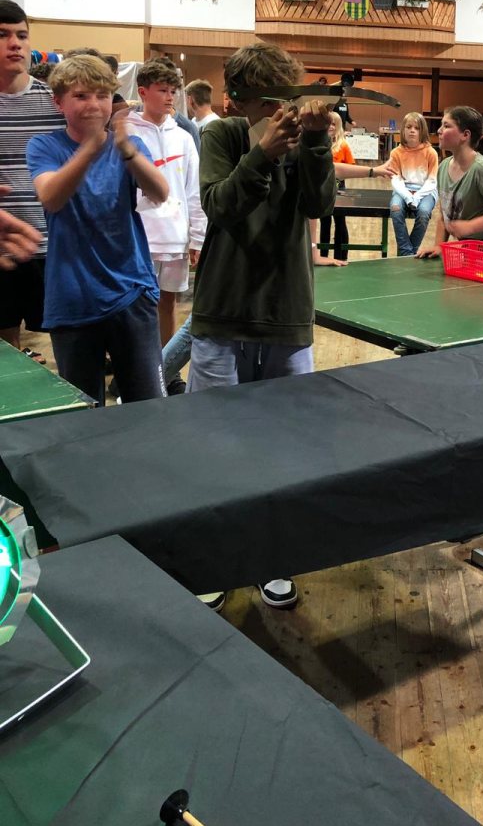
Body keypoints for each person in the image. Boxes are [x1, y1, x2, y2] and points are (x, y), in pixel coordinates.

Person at [188, 42, 335, 610]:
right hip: (223, 309)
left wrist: (316, 142)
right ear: (238, 100)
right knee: (214, 445)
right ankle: (214, 555)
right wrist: (263, 154)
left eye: (287, 100)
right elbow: (220, 206)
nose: (282, 112)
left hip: (287, 311)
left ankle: (273, 554)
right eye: (269, 102)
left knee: (285, 444)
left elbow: (319, 207)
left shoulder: (304, 137)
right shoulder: (223, 135)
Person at [25, 54, 170, 403]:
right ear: (58, 102)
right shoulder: (44, 146)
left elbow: (160, 192)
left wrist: (127, 150)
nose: (93, 104)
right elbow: (51, 197)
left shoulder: (129, 145)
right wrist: (91, 147)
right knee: (84, 413)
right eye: (81, 96)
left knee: (148, 406)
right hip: (72, 299)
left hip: (131, 291)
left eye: (102, 95)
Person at [0, 0, 64, 360]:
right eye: (3, 35)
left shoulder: (54, 103)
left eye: (22, 35)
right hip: (3, 246)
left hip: (52, 243)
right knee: (5, 344)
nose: (15, 44)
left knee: (65, 335)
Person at [128, 59, 206, 348]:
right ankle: (136, 365)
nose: (170, 97)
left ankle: (164, 365)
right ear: (143, 92)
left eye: (173, 91)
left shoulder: (183, 138)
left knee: (167, 304)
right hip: (139, 237)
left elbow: (194, 191)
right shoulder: (127, 133)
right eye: (162, 90)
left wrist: (198, 236)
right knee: (136, 307)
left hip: (175, 237)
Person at [417, 106, 483, 258]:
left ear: (465, 135)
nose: (439, 130)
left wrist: (470, 226)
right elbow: (445, 215)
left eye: (446, 126)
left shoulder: (481, 168)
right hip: (469, 244)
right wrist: (439, 246)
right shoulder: (443, 167)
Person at [381, 111, 438, 256]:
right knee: (395, 209)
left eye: (416, 128)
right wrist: (408, 197)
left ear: (422, 131)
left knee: (424, 213)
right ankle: (407, 253)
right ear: (403, 130)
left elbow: (432, 181)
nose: (412, 130)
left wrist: (417, 197)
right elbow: (396, 179)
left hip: (426, 191)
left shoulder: (431, 152)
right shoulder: (396, 153)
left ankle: (408, 252)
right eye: (409, 127)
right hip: (403, 190)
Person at [318, 111, 355, 261]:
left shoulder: (343, 146)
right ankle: (323, 255)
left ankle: (341, 256)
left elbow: (350, 168)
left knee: (340, 221)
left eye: (334, 124)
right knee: (325, 222)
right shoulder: (319, 145)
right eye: (328, 123)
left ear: (339, 126)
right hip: (322, 190)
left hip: (339, 190)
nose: (331, 127)